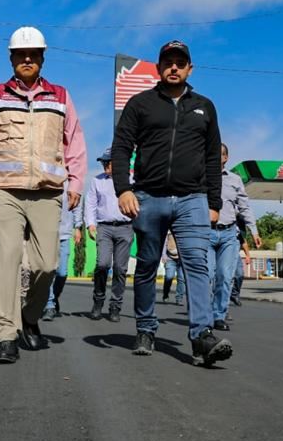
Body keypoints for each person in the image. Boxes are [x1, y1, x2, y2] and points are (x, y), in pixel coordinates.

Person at [0, 26, 87, 364]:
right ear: (12, 58)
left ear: (43, 59)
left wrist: (76, 183)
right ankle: (5, 333)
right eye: (21, 54)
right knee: (6, 260)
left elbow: (74, 141)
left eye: (33, 54)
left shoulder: (60, 97)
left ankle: (29, 316)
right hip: (5, 191)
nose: (27, 59)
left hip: (47, 192)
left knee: (48, 264)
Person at [111, 39, 232, 367]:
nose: (174, 67)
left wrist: (214, 202)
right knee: (149, 264)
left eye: (181, 62)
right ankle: (146, 328)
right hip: (149, 198)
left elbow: (211, 158)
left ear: (190, 68)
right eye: (168, 62)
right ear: (159, 67)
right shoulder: (141, 104)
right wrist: (123, 189)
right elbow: (121, 148)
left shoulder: (204, 106)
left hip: (193, 198)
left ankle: (201, 336)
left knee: (196, 263)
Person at [209, 143, 262, 331]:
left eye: (220, 155)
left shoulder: (235, 180)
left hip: (229, 234)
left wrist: (254, 231)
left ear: (225, 158)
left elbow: (245, 207)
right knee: (207, 275)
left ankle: (218, 316)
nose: (217, 157)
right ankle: (203, 312)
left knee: (224, 276)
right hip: (206, 233)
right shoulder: (201, 177)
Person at [83, 148, 133, 322]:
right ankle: (98, 300)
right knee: (103, 264)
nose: (105, 166)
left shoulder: (131, 180)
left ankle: (115, 306)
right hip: (104, 227)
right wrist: (90, 223)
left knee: (120, 268)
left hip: (125, 228)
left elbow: (139, 201)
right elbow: (90, 203)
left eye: (108, 162)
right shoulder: (97, 181)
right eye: (103, 162)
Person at [43, 179, 82, 321]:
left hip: (65, 234)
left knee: (62, 272)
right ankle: (49, 306)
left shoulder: (71, 183)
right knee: (49, 271)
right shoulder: (48, 179)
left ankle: (53, 297)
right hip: (47, 234)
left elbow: (77, 205)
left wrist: (77, 227)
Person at [161, 233, 184, 305]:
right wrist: (164, 255)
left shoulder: (185, 230)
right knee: (169, 277)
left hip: (182, 259)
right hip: (170, 258)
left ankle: (179, 298)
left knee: (181, 279)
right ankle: (165, 295)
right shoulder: (169, 229)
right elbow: (164, 243)